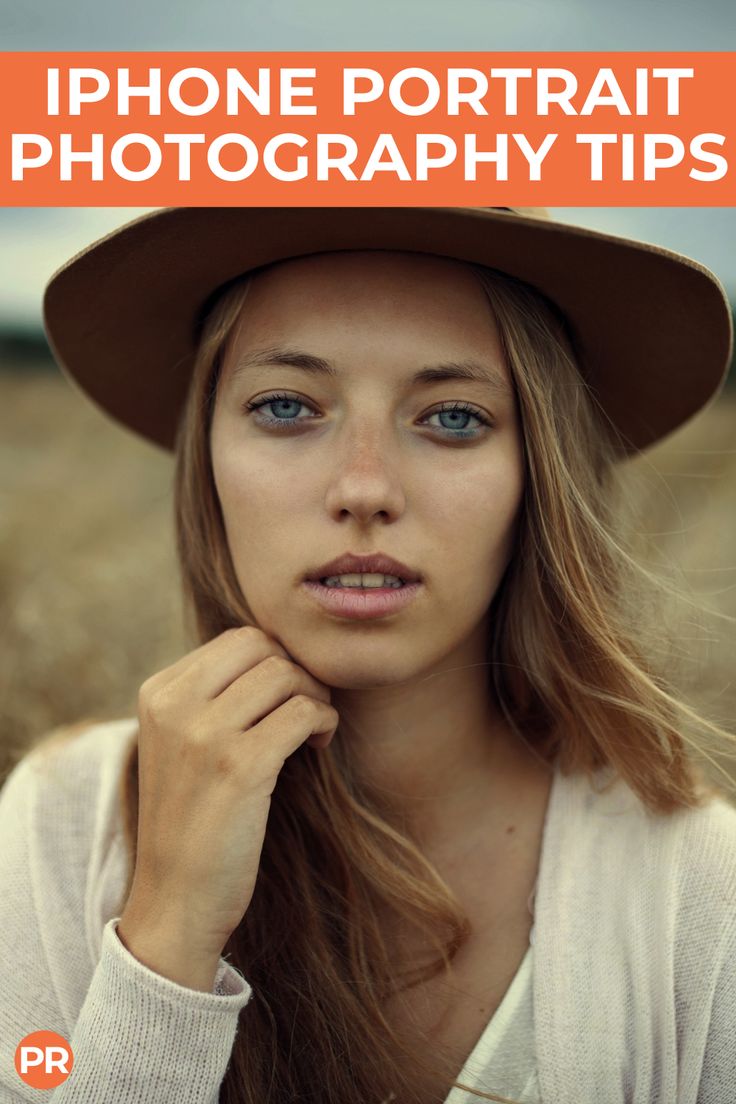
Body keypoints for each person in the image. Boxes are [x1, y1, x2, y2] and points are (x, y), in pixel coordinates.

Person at [1, 205, 735, 1104]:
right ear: (208, 463)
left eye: (455, 418)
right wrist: (166, 935)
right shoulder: (63, 824)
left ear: (538, 474)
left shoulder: (701, 893)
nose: (364, 488)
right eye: (284, 406)